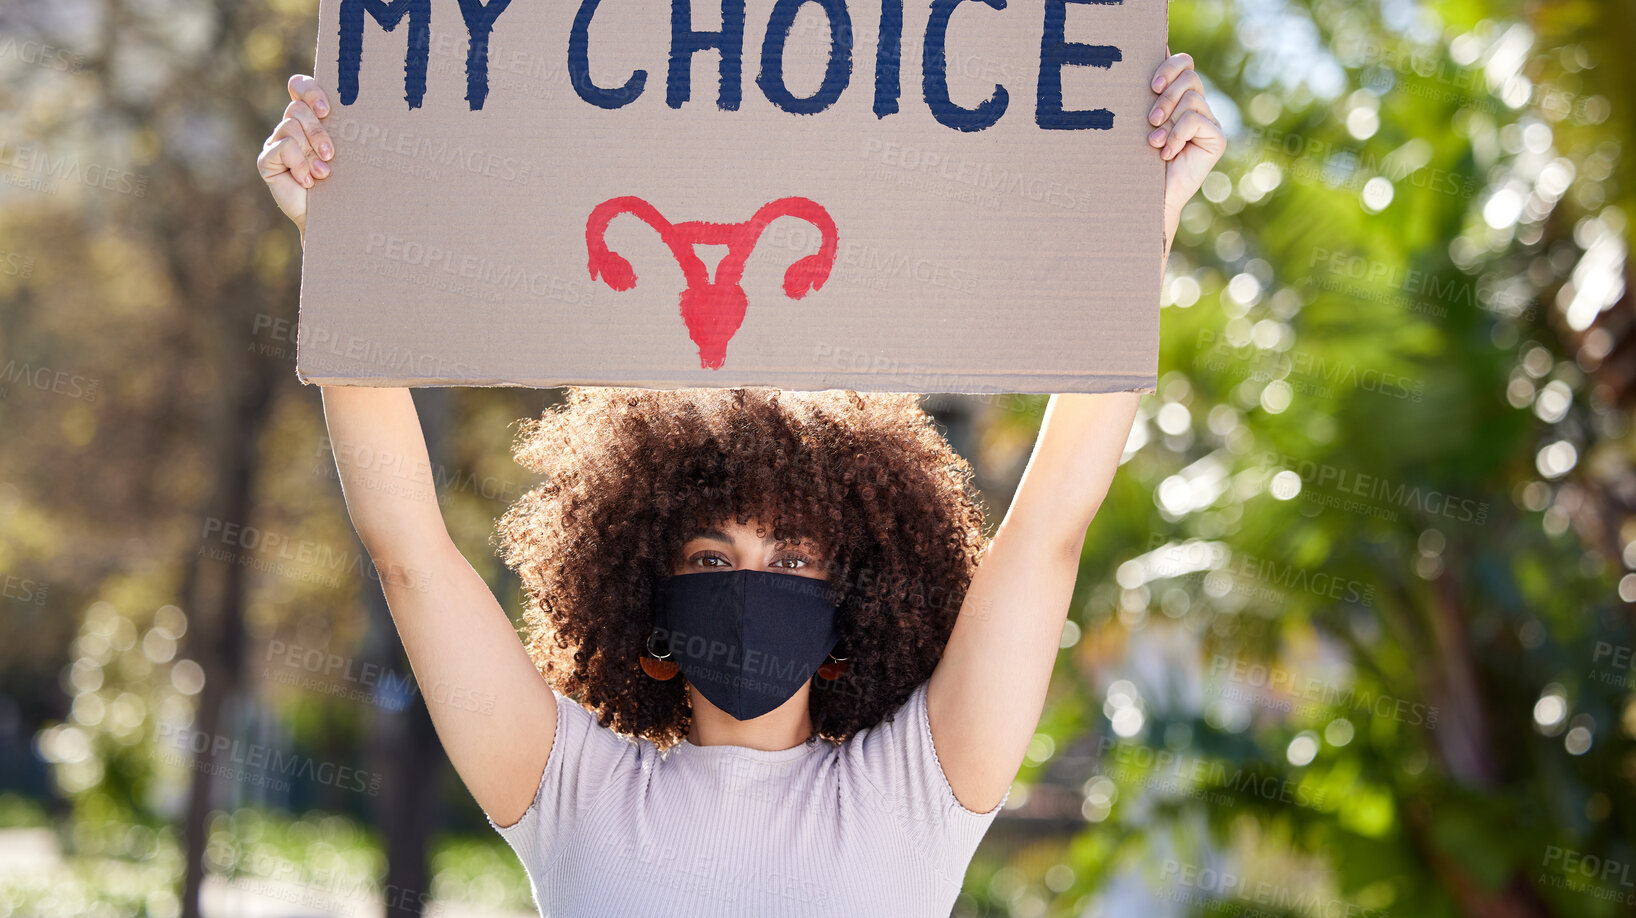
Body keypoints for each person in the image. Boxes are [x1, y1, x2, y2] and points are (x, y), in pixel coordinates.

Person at [255, 51, 1224, 917]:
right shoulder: (571, 788)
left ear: (852, 600)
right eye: (713, 555)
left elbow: (1050, 525)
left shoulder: (915, 789)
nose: (752, 585)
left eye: (793, 556)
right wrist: (337, 252)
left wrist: (1146, 225)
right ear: (644, 592)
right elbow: (410, 556)